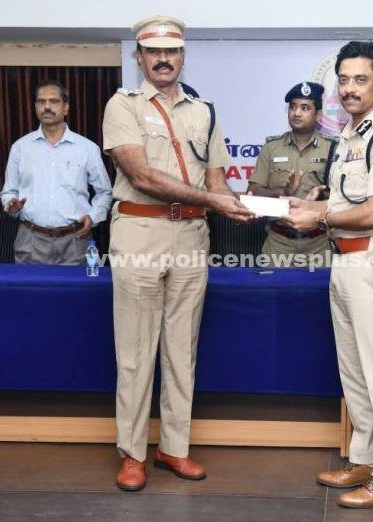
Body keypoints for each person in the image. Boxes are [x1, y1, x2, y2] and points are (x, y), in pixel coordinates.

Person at [102, 15, 253, 492]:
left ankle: (174, 448)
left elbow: (216, 181)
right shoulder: (122, 105)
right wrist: (214, 201)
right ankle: (132, 453)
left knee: (181, 350)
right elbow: (142, 177)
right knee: (135, 352)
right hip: (140, 233)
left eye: (171, 51)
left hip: (191, 236)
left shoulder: (204, 111)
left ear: (183, 56)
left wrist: (238, 206)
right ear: (139, 57)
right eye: (154, 52)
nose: (163, 59)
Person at [283, 41, 373, 509]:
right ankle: (363, 459)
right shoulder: (349, 138)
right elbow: (342, 205)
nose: (349, 88)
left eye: (361, 79)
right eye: (343, 80)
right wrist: (309, 206)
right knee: (353, 373)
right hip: (342, 262)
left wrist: (318, 217)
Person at [0, 79, 112, 265]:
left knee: (76, 286)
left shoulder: (87, 148)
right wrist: (11, 205)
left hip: (75, 239)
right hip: (31, 240)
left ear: (66, 107)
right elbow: (8, 192)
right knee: (30, 285)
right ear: (35, 107)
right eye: (41, 102)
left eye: (53, 101)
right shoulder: (20, 147)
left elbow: (105, 192)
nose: (47, 107)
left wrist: (93, 217)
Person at [247, 82, 334, 259]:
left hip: (319, 244)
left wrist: (321, 197)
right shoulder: (271, 147)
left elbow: (343, 198)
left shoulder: (332, 149)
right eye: (293, 107)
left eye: (305, 108)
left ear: (318, 115)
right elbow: (253, 193)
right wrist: (282, 192)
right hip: (279, 243)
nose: (296, 113)